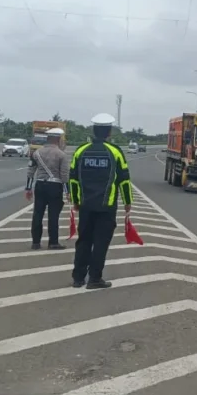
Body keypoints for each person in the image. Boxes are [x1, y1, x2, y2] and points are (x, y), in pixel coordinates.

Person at [68, 113, 132, 289]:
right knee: (101, 243)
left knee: (84, 241)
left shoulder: (81, 150)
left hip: (85, 205)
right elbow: (124, 179)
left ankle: (78, 278)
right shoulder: (115, 152)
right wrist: (128, 201)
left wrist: (75, 200)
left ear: (94, 131)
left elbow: (72, 178)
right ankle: (95, 278)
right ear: (109, 132)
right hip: (107, 206)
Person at [25, 127, 69, 250]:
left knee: (37, 214)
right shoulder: (61, 155)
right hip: (55, 186)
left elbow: (30, 171)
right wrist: (67, 191)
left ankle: (36, 242)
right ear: (58, 139)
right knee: (53, 215)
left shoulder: (36, 153)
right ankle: (53, 242)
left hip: (39, 185)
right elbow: (64, 175)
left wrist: (28, 188)